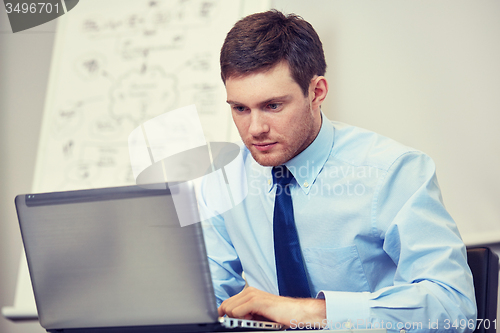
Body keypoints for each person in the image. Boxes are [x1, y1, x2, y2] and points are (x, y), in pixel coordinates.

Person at [198, 9, 476, 332]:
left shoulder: (393, 172)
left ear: (316, 92)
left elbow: (454, 305)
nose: (255, 128)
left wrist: (309, 312)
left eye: (273, 106)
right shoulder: (223, 180)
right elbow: (207, 299)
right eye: (240, 109)